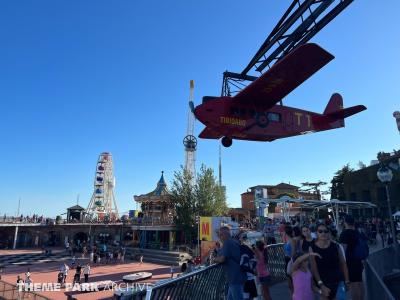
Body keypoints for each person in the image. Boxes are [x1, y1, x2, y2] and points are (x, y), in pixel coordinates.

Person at [310, 223, 350, 300]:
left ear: (328, 233)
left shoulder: (336, 246)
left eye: (325, 231)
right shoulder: (312, 248)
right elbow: (314, 269)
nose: (323, 233)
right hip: (323, 283)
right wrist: (321, 285)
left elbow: (343, 264)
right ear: (316, 233)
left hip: (338, 282)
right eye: (320, 231)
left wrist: (347, 280)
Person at [214, 226, 246, 300]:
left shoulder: (227, 243)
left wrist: (214, 260)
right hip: (239, 274)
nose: (220, 237)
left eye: (220, 235)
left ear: (223, 235)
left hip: (234, 277)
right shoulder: (234, 241)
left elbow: (222, 259)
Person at [339, 215, 365, 300]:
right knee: (359, 282)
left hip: (350, 262)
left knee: (354, 285)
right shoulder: (357, 232)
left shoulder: (345, 233)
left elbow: (343, 250)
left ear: (345, 222)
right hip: (359, 261)